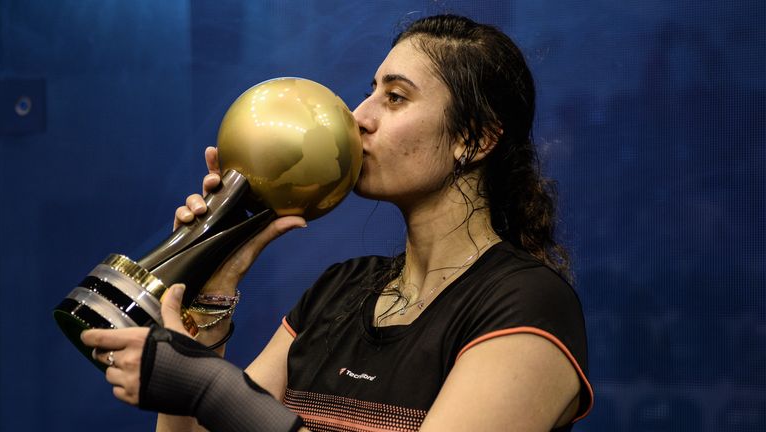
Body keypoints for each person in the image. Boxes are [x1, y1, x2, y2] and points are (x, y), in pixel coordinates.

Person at [81, 14, 593, 432]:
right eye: (369, 91)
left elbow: (229, 405)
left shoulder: (526, 304)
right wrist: (213, 289)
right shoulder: (340, 290)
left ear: (475, 140)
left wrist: (208, 385)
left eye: (395, 97)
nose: (357, 116)